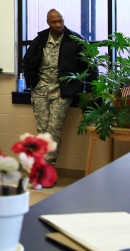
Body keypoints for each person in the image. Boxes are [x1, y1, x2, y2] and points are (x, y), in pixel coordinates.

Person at [22, 9, 95, 166]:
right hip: (40, 91)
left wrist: (89, 88)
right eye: (54, 22)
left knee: (53, 130)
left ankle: (49, 168)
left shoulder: (75, 40)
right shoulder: (41, 39)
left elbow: (90, 65)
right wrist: (32, 82)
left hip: (62, 92)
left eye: (60, 21)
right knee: (42, 131)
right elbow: (26, 61)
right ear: (48, 23)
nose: (58, 24)